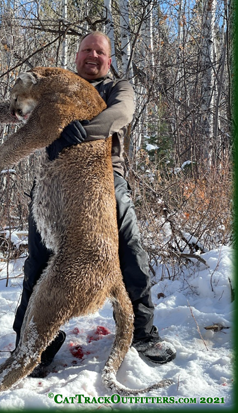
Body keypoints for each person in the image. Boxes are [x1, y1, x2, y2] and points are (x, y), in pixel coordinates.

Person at [13, 31, 176, 374]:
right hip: (54, 183)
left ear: (109, 60)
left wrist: (82, 130)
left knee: (129, 245)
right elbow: (23, 112)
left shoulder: (118, 87)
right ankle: (31, 342)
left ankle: (143, 333)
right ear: (76, 57)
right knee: (39, 259)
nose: (91, 55)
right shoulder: (57, 86)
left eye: (99, 51)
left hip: (104, 181)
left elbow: (122, 113)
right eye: (86, 49)